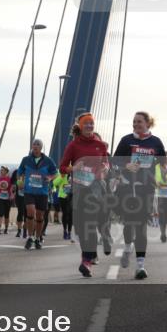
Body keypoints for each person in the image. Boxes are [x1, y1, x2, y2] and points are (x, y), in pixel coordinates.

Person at [112, 111, 166, 279]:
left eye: (139, 122)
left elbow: (163, 161)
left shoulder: (155, 142)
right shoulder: (126, 140)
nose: (136, 124)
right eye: (134, 122)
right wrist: (126, 165)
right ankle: (128, 247)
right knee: (129, 223)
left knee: (141, 225)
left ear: (148, 123)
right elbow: (114, 161)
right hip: (128, 187)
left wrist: (165, 168)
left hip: (147, 188)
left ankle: (140, 266)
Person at [59, 113, 110, 277]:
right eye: (86, 124)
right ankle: (87, 256)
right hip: (79, 189)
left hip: (95, 188)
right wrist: (73, 168)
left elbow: (105, 163)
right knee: (81, 228)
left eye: (91, 123)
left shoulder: (100, 145)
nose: (89, 126)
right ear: (80, 126)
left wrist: (105, 168)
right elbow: (62, 168)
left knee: (90, 223)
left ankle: (86, 261)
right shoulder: (73, 146)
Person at [14, 139, 58, 251]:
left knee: (39, 217)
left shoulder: (48, 160)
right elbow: (19, 171)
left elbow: (55, 173)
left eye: (38, 144)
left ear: (41, 147)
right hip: (29, 191)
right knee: (30, 212)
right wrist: (19, 181)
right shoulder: (26, 159)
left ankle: (38, 238)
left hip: (42, 192)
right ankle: (30, 237)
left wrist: (50, 178)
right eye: (34, 144)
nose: (35, 146)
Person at [0, 166, 14, 234]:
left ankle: (6, 228)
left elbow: (13, 188)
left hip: (8, 199)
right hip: (0, 198)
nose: (1, 171)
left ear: (6, 171)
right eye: (1, 170)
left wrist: (12, 194)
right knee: (0, 213)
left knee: (6, 214)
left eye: (2, 170)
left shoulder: (10, 179)